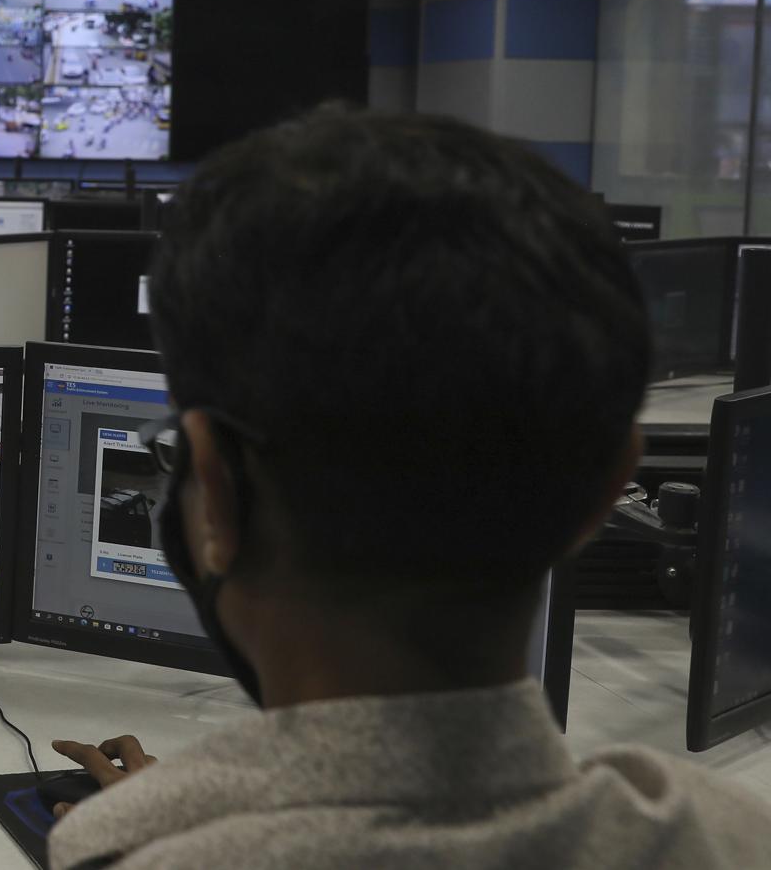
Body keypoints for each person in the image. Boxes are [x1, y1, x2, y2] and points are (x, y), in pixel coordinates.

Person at [47, 107, 771, 870]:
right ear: (608, 490)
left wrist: (179, 825)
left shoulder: (127, 853)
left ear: (216, 494)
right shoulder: (732, 838)